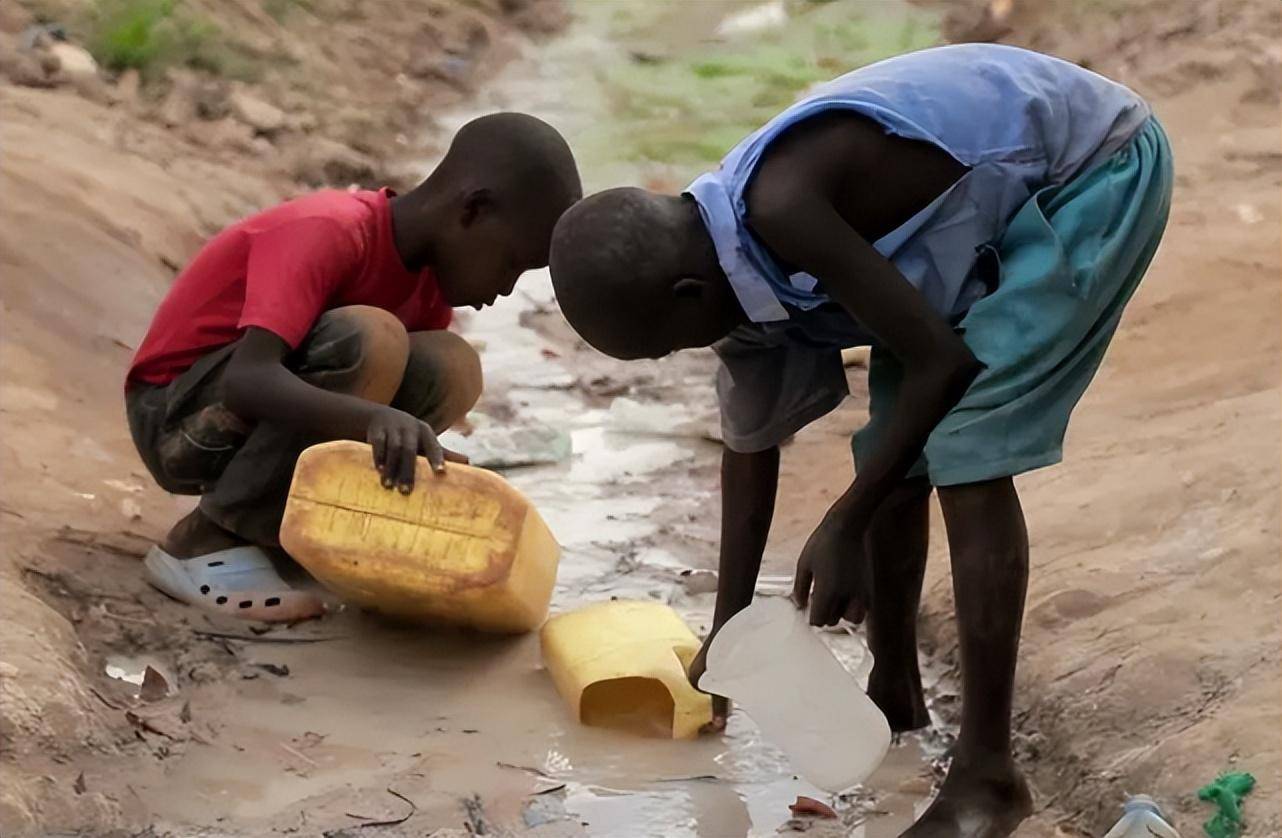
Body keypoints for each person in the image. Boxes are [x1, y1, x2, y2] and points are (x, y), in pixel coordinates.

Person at [549, 44, 1171, 838]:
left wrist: (842, 523)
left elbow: (943, 363)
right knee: (889, 448)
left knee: (965, 447)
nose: (685, 354)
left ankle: (988, 778)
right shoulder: (715, 264)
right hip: (972, 230)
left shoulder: (781, 209)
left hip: (1090, 172)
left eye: (667, 345)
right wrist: (727, 630)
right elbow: (750, 441)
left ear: (686, 296)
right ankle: (896, 690)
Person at [126, 112, 581, 623]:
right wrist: (371, 421)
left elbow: (380, 405)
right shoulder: (331, 230)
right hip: (175, 418)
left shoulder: (429, 291)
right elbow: (247, 380)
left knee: (452, 366)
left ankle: (286, 535)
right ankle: (202, 542)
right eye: (511, 263)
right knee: (370, 338)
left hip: (243, 418)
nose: (505, 288)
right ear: (472, 210)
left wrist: (420, 458)